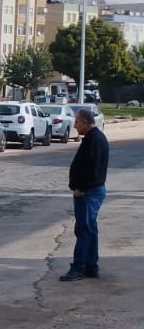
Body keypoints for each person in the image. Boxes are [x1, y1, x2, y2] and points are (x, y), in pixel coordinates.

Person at [60, 107, 109, 282]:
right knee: (90, 229)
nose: (75, 125)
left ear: (87, 122)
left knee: (84, 230)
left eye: (78, 122)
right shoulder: (93, 138)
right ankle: (90, 266)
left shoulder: (95, 140)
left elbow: (92, 169)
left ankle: (79, 268)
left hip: (89, 192)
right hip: (90, 190)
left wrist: (80, 187)